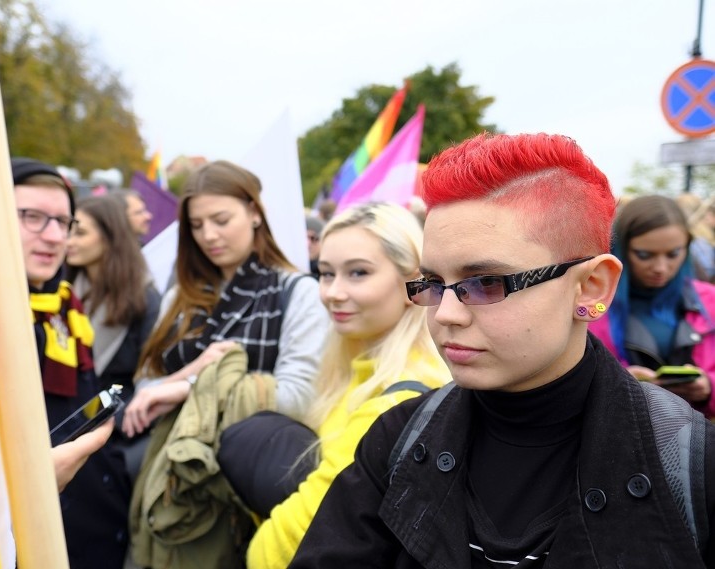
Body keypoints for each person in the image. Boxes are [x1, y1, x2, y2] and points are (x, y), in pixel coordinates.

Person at [287, 133, 715, 568]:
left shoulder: (692, 467)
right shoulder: (397, 439)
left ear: (591, 287)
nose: (445, 314)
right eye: (433, 284)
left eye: (485, 283)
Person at [219, 202, 451, 569]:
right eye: (326, 274)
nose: (333, 293)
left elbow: (286, 546)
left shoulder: (397, 398)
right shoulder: (353, 369)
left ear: (413, 284)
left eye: (358, 273)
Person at [123, 160, 329, 568]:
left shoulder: (296, 292)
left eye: (220, 220)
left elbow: (298, 397)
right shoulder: (181, 295)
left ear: (255, 212)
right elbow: (145, 393)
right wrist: (191, 371)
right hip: (167, 478)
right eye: (197, 226)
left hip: (245, 485)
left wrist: (186, 386)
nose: (209, 236)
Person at [11, 157, 130, 569]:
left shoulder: (64, 303)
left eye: (65, 222)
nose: (53, 235)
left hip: (97, 524)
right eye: (32, 217)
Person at [589, 194, 715, 418]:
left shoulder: (709, 300)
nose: (660, 268)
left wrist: (708, 387)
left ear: (687, 248)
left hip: (693, 438)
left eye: (673, 254)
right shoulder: (592, 303)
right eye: (644, 255)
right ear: (621, 249)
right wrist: (615, 382)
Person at [66, 195, 162, 480]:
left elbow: (149, 378)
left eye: (80, 232)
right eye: (69, 230)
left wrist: (103, 422)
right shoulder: (62, 289)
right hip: (63, 424)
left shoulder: (145, 300)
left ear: (110, 237)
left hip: (114, 435)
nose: (68, 240)